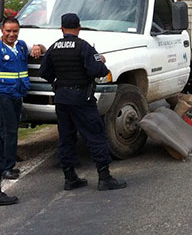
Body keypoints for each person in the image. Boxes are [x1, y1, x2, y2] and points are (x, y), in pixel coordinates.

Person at [39, 13, 126, 191]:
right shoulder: (83, 46)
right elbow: (99, 71)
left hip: (61, 98)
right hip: (81, 98)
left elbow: (44, 72)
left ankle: (70, 177)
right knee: (95, 135)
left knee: (66, 137)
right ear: (79, 27)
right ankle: (104, 177)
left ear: (62, 28)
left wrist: (59, 81)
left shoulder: (54, 47)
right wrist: (101, 60)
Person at [0, 18, 44, 206]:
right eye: (8, 31)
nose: (12, 34)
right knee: (8, 131)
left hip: (17, 94)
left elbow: (43, 48)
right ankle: (7, 167)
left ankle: (8, 162)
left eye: (15, 31)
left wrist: (38, 47)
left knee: (11, 130)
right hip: (3, 94)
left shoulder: (21, 47)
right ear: (2, 30)